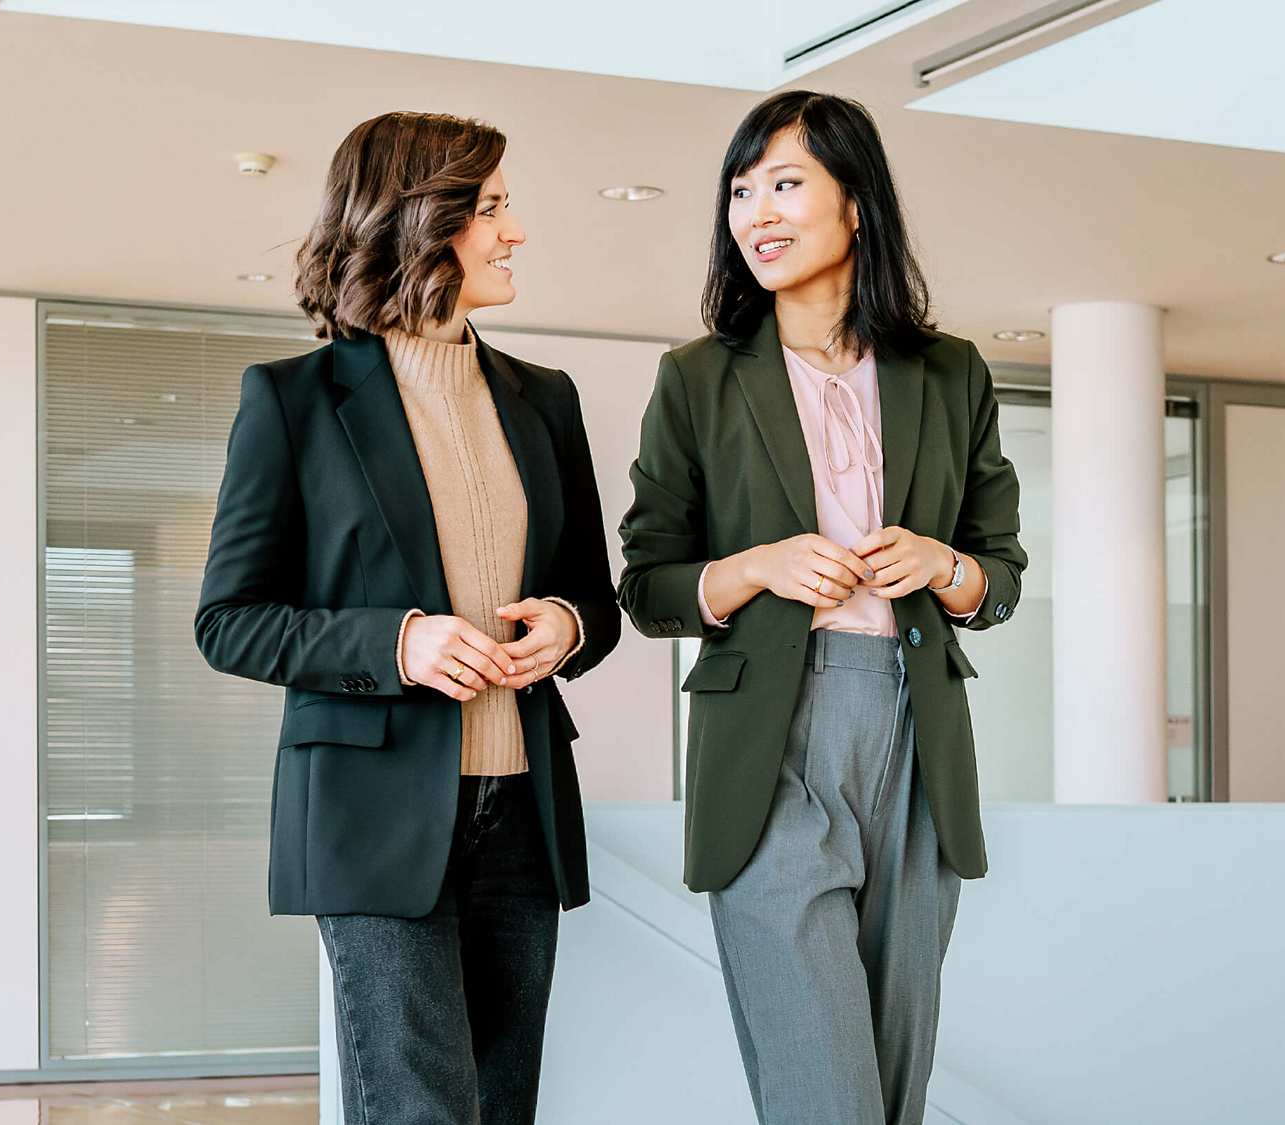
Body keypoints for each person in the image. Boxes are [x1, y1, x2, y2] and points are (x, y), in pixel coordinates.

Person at [194, 110, 619, 1125]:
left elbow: (593, 600)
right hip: (371, 813)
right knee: (419, 1108)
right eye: (492, 208)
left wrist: (565, 624)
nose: (513, 232)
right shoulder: (292, 401)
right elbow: (231, 619)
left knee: (499, 1103)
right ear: (420, 220)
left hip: (522, 810)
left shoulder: (544, 399)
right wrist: (399, 642)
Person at [617, 90, 1026, 1125]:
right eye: (740, 190)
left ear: (856, 206)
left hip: (913, 734)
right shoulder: (697, 380)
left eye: (785, 184)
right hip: (769, 744)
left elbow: (999, 576)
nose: (755, 211)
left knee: (892, 1087)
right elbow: (647, 584)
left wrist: (941, 563)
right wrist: (752, 567)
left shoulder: (949, 372)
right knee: (823, 1089)